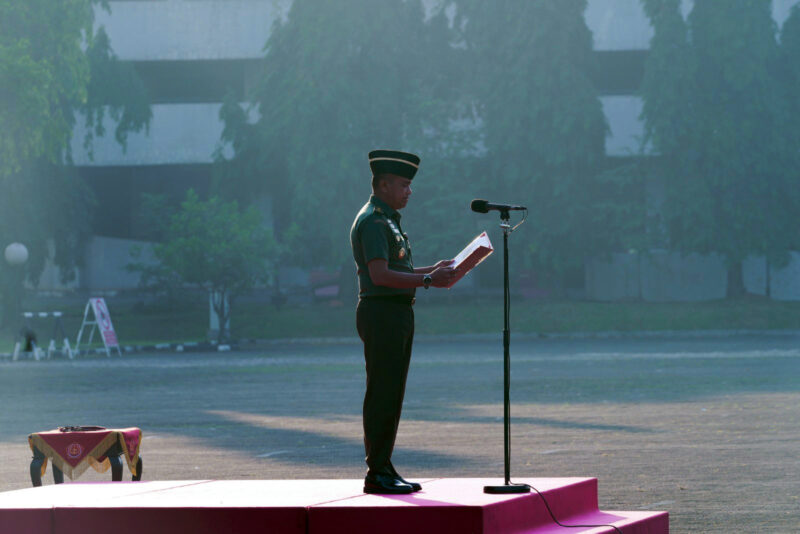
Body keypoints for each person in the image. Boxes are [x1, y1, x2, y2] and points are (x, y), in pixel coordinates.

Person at [350, 149, 456, 494]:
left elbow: (397, 271)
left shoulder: (388, 219)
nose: (409, 191)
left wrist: (433, 270)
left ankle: (383, 465)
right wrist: (428, 281)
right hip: (382, 314)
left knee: (391, 392)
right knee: (383, 392)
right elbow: (380, 275)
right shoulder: (373, 222)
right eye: (404, 184)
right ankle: (376, 471)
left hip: (394, 313)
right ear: (383, 185)